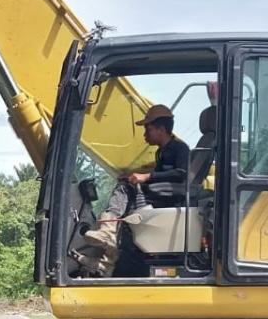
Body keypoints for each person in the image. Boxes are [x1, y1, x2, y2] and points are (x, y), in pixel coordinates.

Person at [81, 103, 191, 251]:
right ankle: (110, 252)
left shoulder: (180, 148)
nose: (145, 134)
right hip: (162, 191)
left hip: (171, 195)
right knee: (126, 187)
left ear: (161, 130)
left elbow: (181, 174)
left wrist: (147, 176)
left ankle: (108, 230)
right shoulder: (161, 152)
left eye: (148, 129)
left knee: (124, 188)